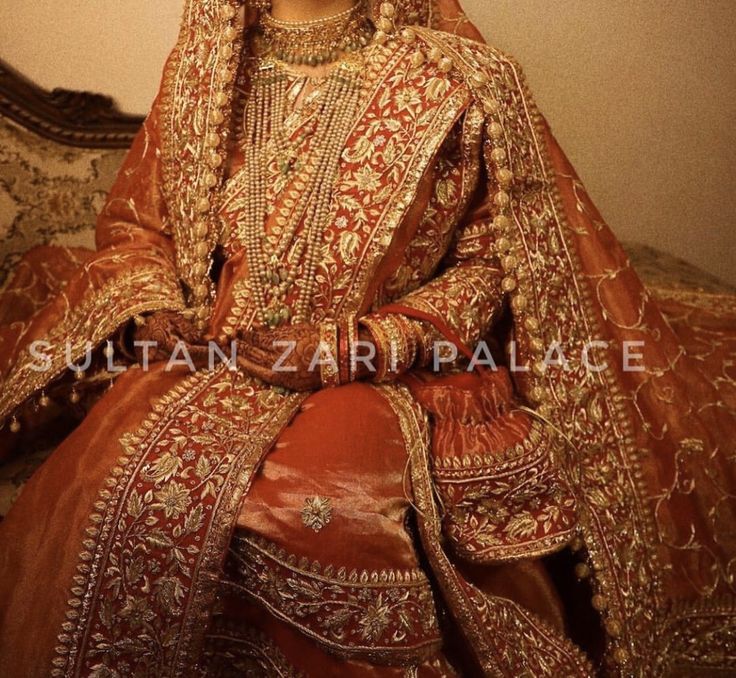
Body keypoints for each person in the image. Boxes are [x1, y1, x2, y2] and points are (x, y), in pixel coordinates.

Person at [1, 0, 735, 675]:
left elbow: (489, 267)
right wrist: (157, 312)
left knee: (318, 515)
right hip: (212, 357)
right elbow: (141, 230)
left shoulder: (452, 80)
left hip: (380, 373)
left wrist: (354, 345)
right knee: (116, 502)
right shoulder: (206, 67)